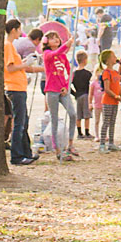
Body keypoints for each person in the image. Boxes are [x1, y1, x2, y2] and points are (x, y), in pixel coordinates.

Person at [40, 28, 78, 161]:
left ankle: (71, 143)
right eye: (52, 38)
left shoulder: (63, 57)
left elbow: (70, 71)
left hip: (63, 90)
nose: (56, 39)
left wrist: (67, 85)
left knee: (73, 114)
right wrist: (66, 45)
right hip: (51, 90)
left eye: (57, 37)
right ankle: (57, 149)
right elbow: (55, 53)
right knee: (54, 119)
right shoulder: (47, 54)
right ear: (47, 42)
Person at [3, 19, 36, 165]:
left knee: (23, 121)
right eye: (19, 29)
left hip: (19, 87)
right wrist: (25, 64)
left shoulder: (10, 46)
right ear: (13, 30)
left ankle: (26, 152)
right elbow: (10, 68)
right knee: (19, 123)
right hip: (14, 88)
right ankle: (16, 156)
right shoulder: (8, 46)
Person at [72, 50, 93, 140]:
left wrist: (75, 94)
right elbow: (90, 86)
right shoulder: (88, 74)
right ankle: (87, 132)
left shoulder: (73, 74)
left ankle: (79, 132)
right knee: (86, 115)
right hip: (85, 94)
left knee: (79, 115)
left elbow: (68, 86)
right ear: (85, 60)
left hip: (78, 95)